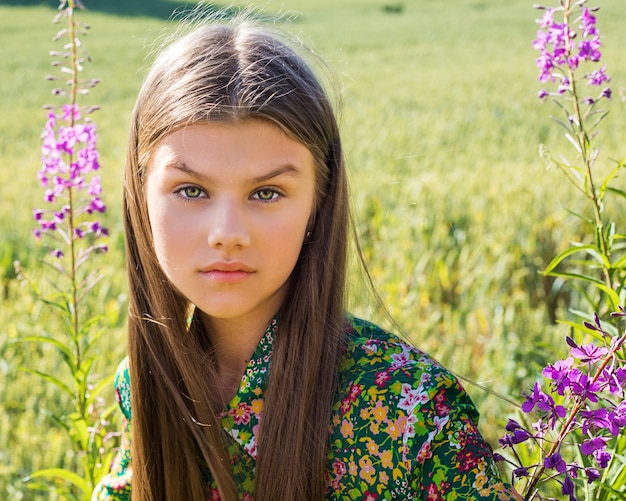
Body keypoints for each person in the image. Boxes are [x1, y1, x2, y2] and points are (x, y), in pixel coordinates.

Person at [93, 14, 516, 501]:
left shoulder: (412, 412)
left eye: (268, 193)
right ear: (140, 196)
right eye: (191, 190)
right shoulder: (149, 380)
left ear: (319, 200)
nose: (226, 234)